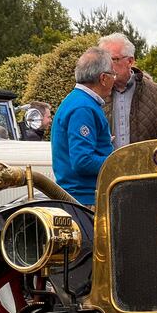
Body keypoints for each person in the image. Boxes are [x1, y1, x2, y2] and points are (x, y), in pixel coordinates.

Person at [51, 47, 115, 206]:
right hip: (85, 201)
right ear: (103, 78)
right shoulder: (83, 108)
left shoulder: (78, 101)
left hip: (79, 197)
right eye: (113, 74)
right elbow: (82, 160)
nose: (115, 79)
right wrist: (118, 161)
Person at [98, 33, 157, 147]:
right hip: (105, 165)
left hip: (146, 164)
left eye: (113, 59)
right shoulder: (95, 94)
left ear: (130, 61)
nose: (105, 66)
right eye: (102, 61)